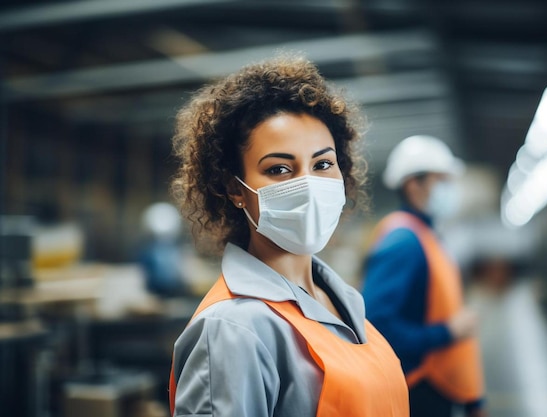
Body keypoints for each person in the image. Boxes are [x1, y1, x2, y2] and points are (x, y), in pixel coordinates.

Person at [168, 54, 409, 417]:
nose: (308, 185)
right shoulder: (233, 330)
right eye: (279, 169)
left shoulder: (343, 301)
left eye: (323, 164)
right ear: (235, 189)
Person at [361, 135, 486, 417]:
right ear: (413, 184)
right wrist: (447, 332)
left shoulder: (427, 235)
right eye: (441, 180)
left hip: (436, 387)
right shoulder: (403, 242)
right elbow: (375, 326)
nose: (450, 189)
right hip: (416, 388)